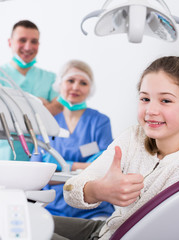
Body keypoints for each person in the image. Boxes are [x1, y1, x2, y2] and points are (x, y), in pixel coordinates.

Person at [51, 56, 179, 240]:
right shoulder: (134, 136)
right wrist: (98, 190)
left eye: (166, 101)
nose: (151, 110)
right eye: (145, 98)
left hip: (117, 236)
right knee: (28, 222)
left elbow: (152, 231)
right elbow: (70, 190)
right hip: (105, 229)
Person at [30, 59, 115, 219]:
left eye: (83, 82)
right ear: (59, 84)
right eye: (70, 80)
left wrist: (62, 167)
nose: (76, 87)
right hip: (51, 207)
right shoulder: (46, 122)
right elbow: (36, 168)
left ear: (90, 88)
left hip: (93, 208)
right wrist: (82, 167)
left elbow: (105, 165)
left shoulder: (100, 121)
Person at [0, 20, 63, 161]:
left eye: (34, 41)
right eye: (22, 40)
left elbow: (59, 107)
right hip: (0, 153)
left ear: (38, 45)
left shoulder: (49, 78)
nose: (28, 47)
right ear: (10, 42)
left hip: (38, 154)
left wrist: (13, 106)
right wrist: (39, 105)